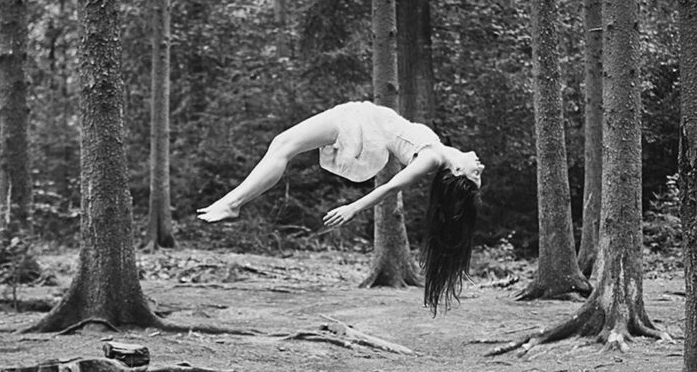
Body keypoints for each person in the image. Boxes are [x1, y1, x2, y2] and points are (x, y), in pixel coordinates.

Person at [197, 100, 483, 312]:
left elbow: (390, 187)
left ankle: (232, 203)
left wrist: (353, 208)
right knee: (282, 145)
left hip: (359, 126)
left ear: (457, 172)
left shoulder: (431, 158)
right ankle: (233, 201)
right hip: (362, 121)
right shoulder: (440, 151)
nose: (480, 167)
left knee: (283, 145)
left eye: (476, 175)